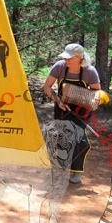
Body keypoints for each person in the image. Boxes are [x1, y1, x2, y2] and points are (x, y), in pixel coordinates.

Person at [43, 43, 101, 184]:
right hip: (62, 107)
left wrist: (82, 100)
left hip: (81, 110)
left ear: (79, 58)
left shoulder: (90, 71)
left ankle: (76, 171)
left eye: (69, 58)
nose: (66, 60)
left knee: (79, 141)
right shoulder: (59, 67)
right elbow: (47, 87)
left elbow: (96, 93)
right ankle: (59, 169)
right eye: (65, 57)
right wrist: (58, 100)